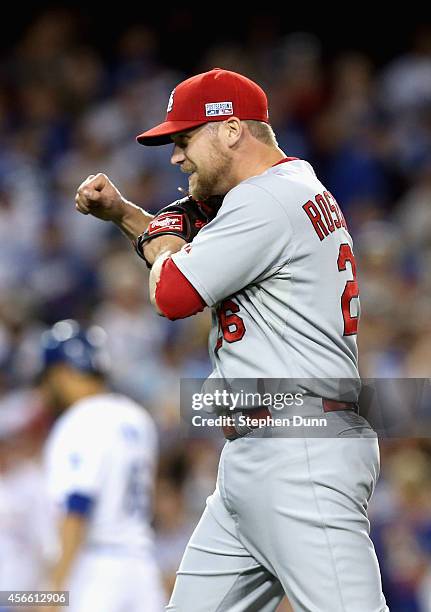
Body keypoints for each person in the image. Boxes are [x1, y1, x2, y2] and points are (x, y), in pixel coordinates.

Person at [75, 68, 388, 611]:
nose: (175, 156)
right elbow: (184, 254)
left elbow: (172, 292)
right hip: (259, 457)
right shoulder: (290, 187)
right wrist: (130, 216)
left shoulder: (267, 199)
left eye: (184, 138)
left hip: (300, 451)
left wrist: (160, 234)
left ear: (231, 129)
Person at [38, 319, 165, 612]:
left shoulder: (79, 421)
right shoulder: (137, 417)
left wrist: (53, 592)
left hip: (95, 571)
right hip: (143, 569)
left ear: (61, 374)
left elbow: (77, 506)